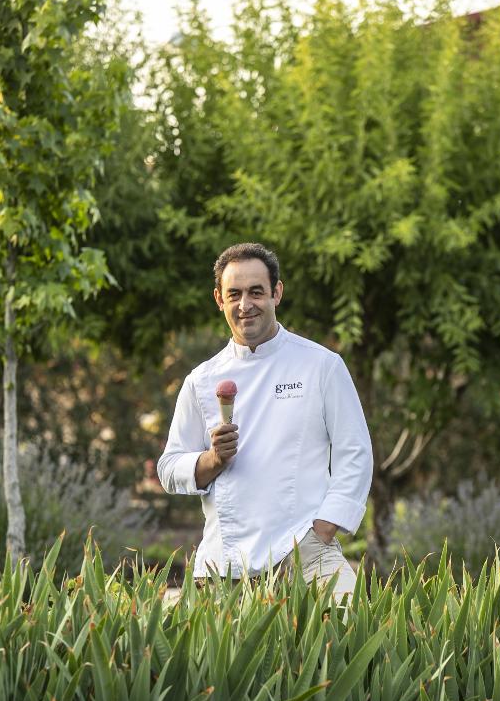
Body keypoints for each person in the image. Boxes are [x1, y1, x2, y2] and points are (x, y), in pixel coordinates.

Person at [157, 242, 373, 599]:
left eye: (256, 292)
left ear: (277, 293)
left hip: (307, 552)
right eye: (234, 294)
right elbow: (168, 467)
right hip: (225, 561)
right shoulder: (202, 380)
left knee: (352, 635)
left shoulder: (321, 366)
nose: (246, 305)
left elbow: (356, 453)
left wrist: (321, 532)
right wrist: (211, 459)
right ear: (219, 299)